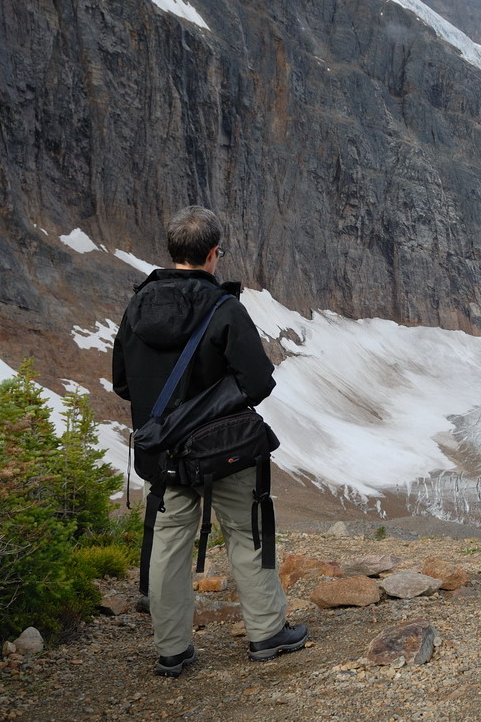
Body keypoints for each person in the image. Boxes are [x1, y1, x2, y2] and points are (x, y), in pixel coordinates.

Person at [112, 205, 307, 677]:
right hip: (226, 453)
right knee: (246, 532)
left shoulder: (137, 306)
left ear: (173, 250)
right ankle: (265, 634)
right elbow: (257, 382)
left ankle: (172, 650)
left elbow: (122, 382)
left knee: (169, 544)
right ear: (214, 253)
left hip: (165, 454)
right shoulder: (225, 308)